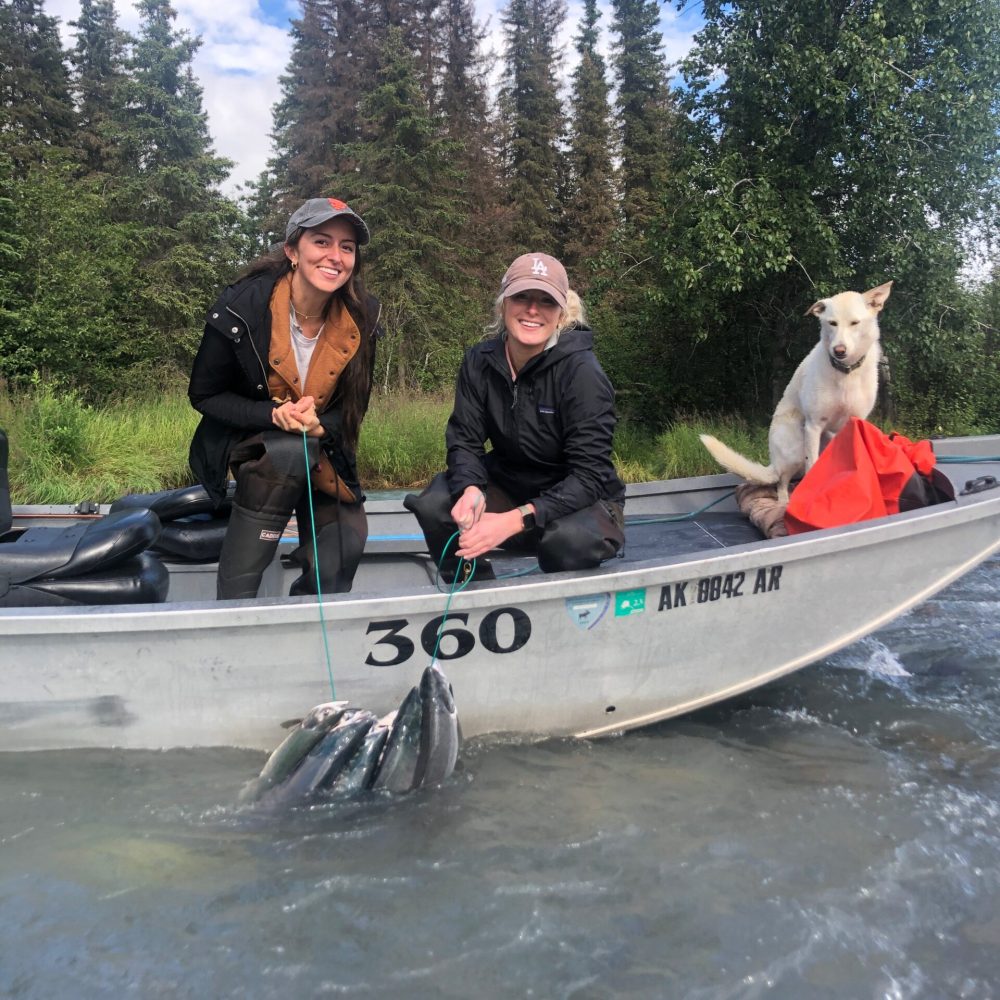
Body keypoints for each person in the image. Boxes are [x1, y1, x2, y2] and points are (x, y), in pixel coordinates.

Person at [188, 197, 381, 599]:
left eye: (347, 247)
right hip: (249, 440)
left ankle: (308, 619)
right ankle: (234, 602)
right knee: (288, 453)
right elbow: (204, 395)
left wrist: (319, 425)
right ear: (293, 250)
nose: (336, 256)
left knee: (345, 545)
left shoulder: (363, 316)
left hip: (322, 448)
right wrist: (272, 415)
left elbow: (352, 410)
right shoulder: (241, 307)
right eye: (322, 242)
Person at [405, 252, 626, 581]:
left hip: (580, 502)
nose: (533, 310)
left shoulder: (582, 373)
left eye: (546, 301)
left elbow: (589, 477)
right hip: (511, 486)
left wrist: (513, 520)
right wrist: (470, 489)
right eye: (522, 296)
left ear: (561, 312)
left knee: (566, 542)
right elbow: (465, 440)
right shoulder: (479, 362)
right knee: (435, 501)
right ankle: (474, 591)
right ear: (503, 303)